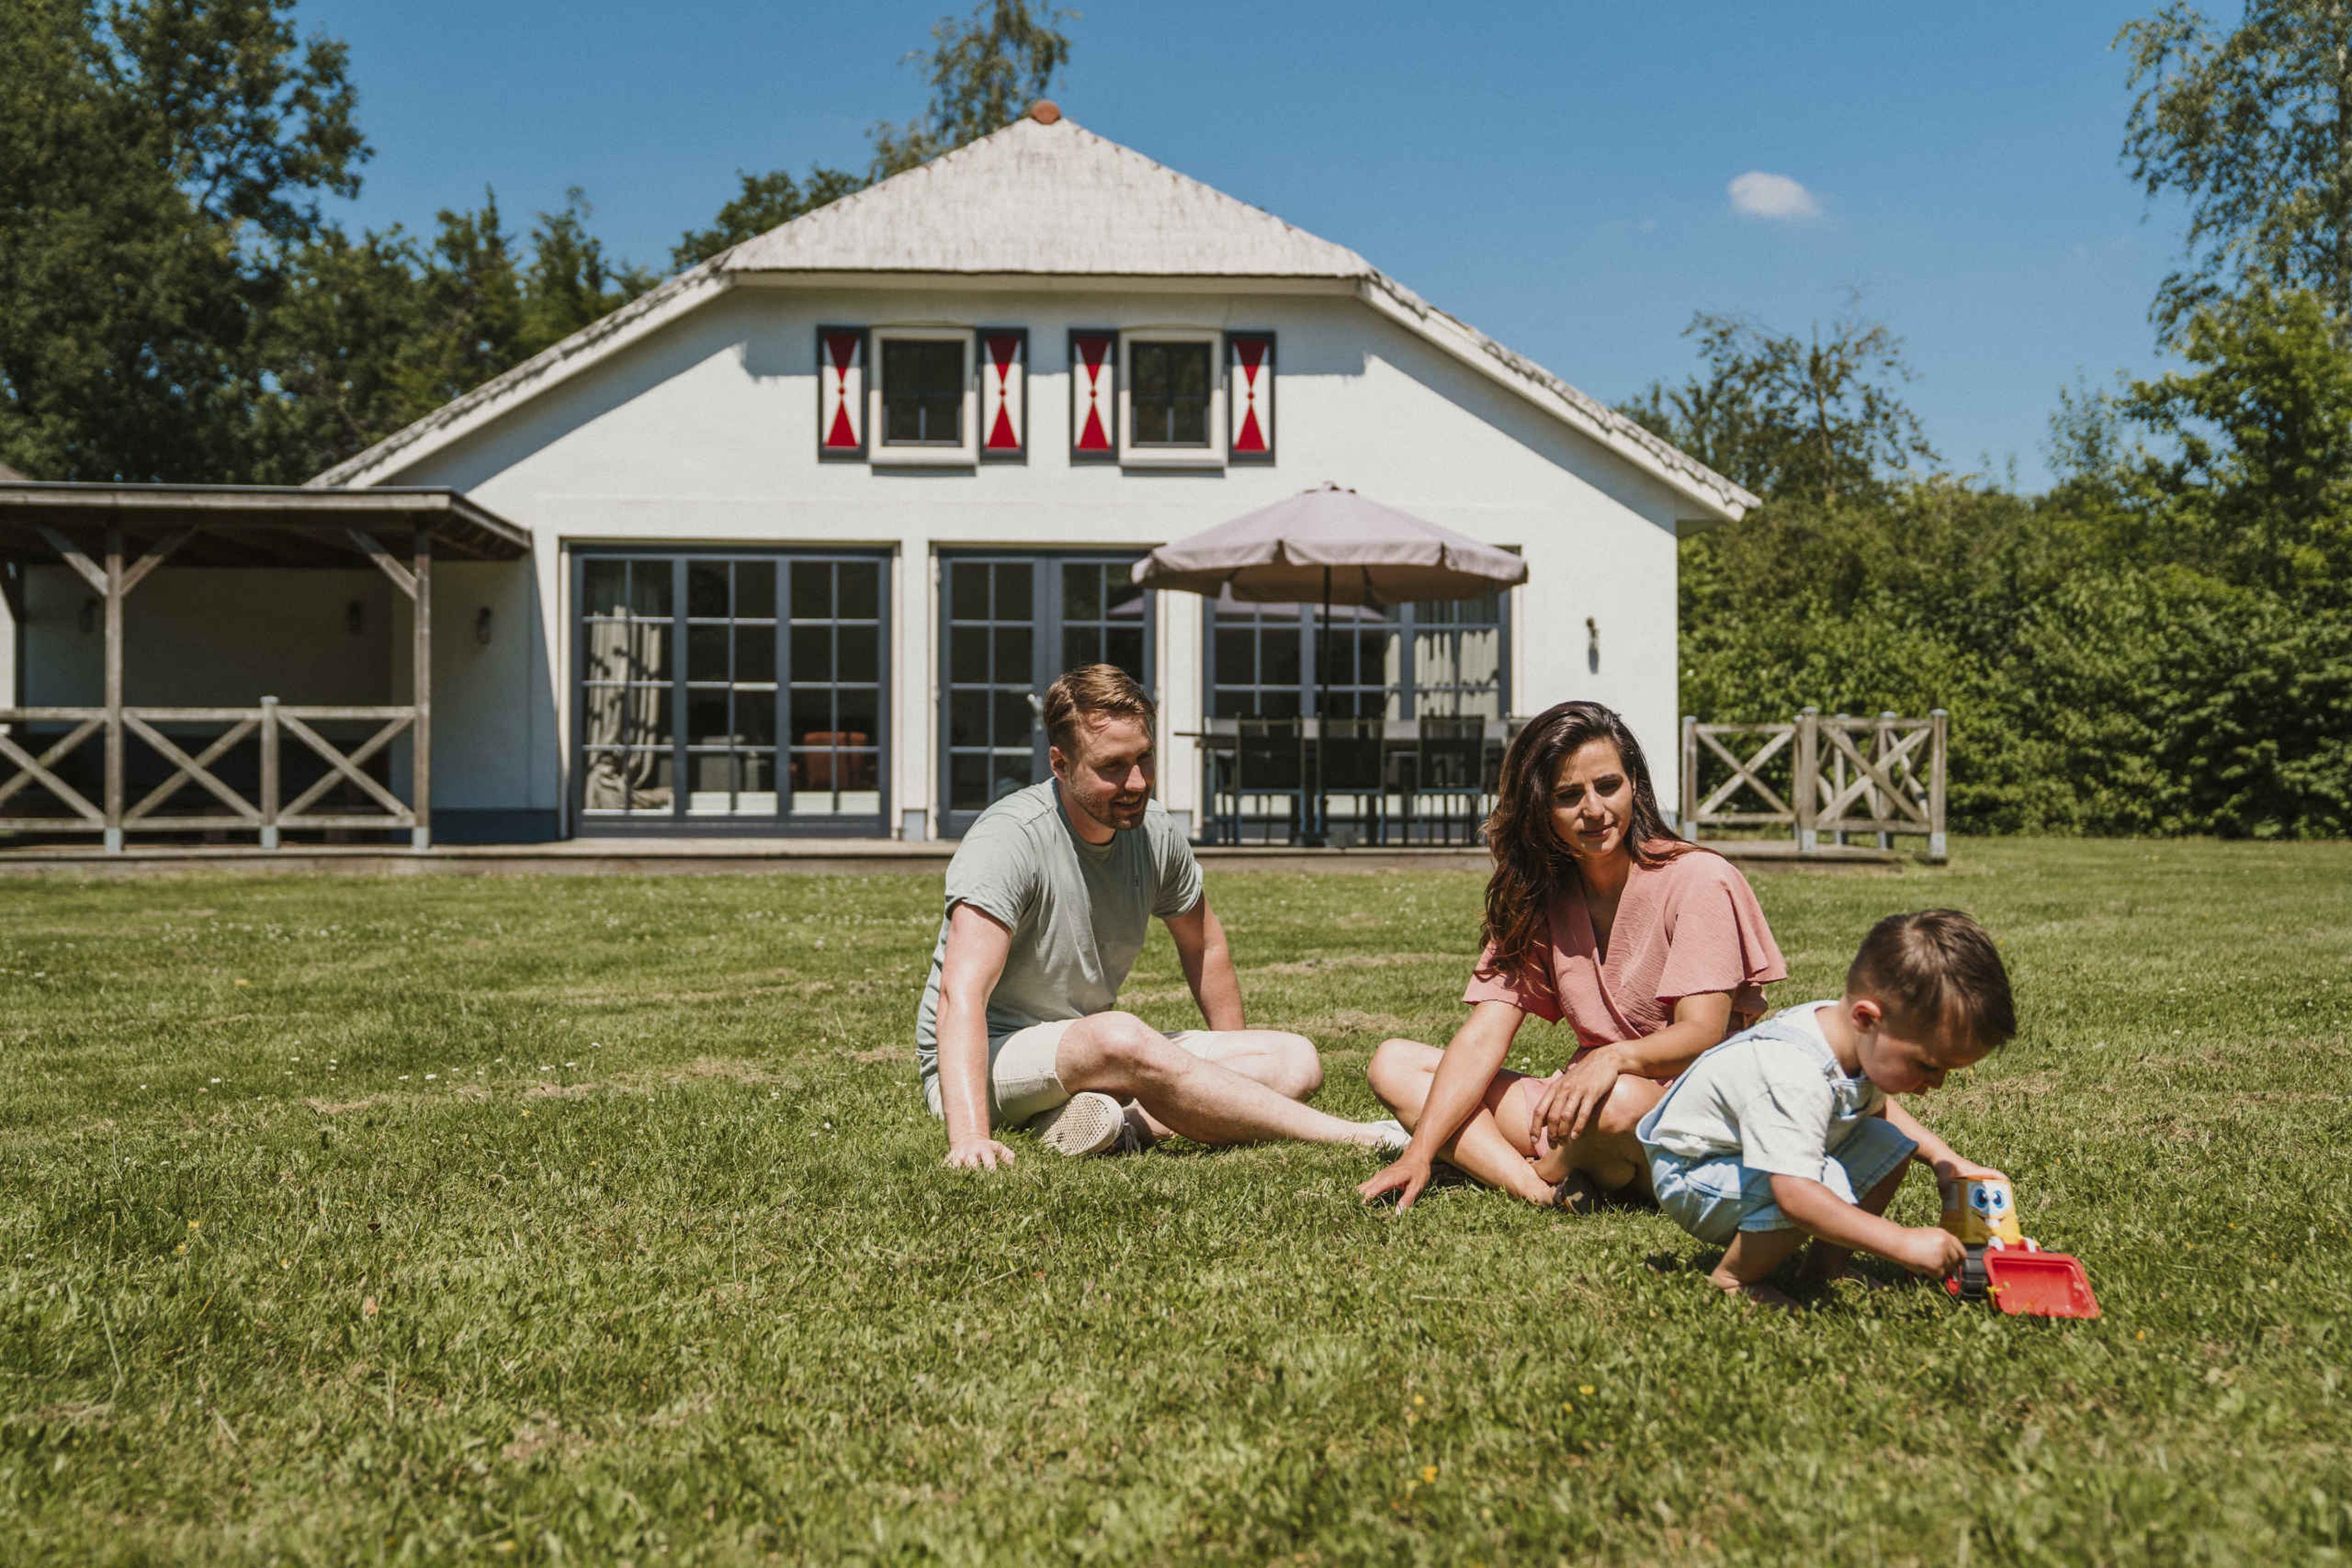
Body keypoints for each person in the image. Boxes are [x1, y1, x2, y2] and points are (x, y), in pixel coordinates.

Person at [916, 663, 1408, 1169]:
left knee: (1293, 1061)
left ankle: (1115, 1125)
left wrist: (1232, 1067)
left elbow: (1204, 945)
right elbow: (961, 993)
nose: (1136, 782)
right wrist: (970, 1136)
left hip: (1089, 1048)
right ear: (1060, 765)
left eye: (1144, 759)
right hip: (988, 1060)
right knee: (1119, 1034)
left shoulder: (1154, 831)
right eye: (1112, 767)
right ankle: (1359, 1137)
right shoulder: (1009, 839)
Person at [1358, 700, 1785, 1212]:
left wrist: (1611, 1060)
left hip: (1684, 1109)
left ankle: (1561, 1163)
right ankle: (1539, 1188)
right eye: (1568, 796)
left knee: (1621, 1102)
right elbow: (1484, 1036)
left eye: (1609, 786)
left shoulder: (1699, 879)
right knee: (1394, 1064)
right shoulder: (1543, 895)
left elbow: (1701, 1035)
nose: (1595, 810)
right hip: (1583, 1101)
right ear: (1539, 808)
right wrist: (1420, 1152)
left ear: (1634, 785)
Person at [1635, 909, 2016, 1306]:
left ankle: (1824, 1267)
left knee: (1890, 1143)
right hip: (1693, 1172)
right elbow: (1798, 1197)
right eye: (1928, 1065)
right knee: (1820, 1184)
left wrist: (1942, 1157)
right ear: (1867, 1019)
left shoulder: (1852, 1039)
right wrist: (1901, 1243)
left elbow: (1872, 1105)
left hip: (1737, 1158)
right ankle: (1733, 1278)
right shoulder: (1795, 1077)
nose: (1936, 1082)